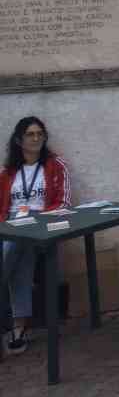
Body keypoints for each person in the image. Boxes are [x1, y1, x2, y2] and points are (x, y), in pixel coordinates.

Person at [0, 117, 71, 355]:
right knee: (19, 256)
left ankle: (18, 326)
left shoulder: (55, 165)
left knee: (16, 249)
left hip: (41, 223)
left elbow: (64, 202)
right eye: (30, 134)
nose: (36, 138)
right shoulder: (8, 172)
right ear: (19, 140)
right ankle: (19, 327)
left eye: (40, 133)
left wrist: (38, 220)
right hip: (11, 225)